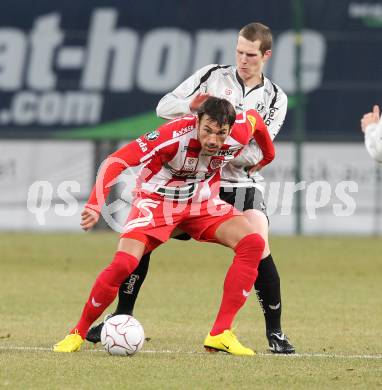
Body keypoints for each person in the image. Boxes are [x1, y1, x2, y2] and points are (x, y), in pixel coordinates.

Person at [87, 22, 295, 354]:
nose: (243, 60)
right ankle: (121, 316)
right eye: (239, 52)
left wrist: (225, 135)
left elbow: (255, 152)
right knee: (143, 242)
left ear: (266, 55)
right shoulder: (212, 75)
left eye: (251, 54)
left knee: (258, 241)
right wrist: (204, 110)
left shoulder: (275, 98)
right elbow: (164, 107)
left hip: (240, 180)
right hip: (191, 178)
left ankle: (276, 331)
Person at [54, 97, 276, 355]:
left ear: (229, 129)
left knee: (253, 242)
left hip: (200, 203)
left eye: (221, 133)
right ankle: (77, 333)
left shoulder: (238, 131)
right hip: (156, 202)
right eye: (207, 131)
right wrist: (95, 204)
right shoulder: (172, 135)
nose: (214, 140)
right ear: (197, 121)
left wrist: (268, 155)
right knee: (124, 264)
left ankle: (220, 333)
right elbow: (116, 161)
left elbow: (256, 121)